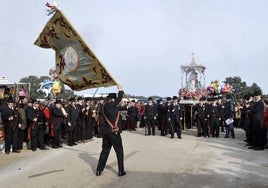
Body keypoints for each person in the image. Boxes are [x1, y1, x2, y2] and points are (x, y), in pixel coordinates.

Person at [96, 84, 127, 177]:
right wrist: (120, 89)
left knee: (105, 151)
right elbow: (119, 99)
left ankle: (98, 170)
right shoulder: (112, 105)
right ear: (113, 99)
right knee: (119, 151)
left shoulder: (105, 107)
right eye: (115, 99)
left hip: (106, 133)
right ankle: (121, 171)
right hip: (113, 132)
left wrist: (127, 107)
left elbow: (119, 108)